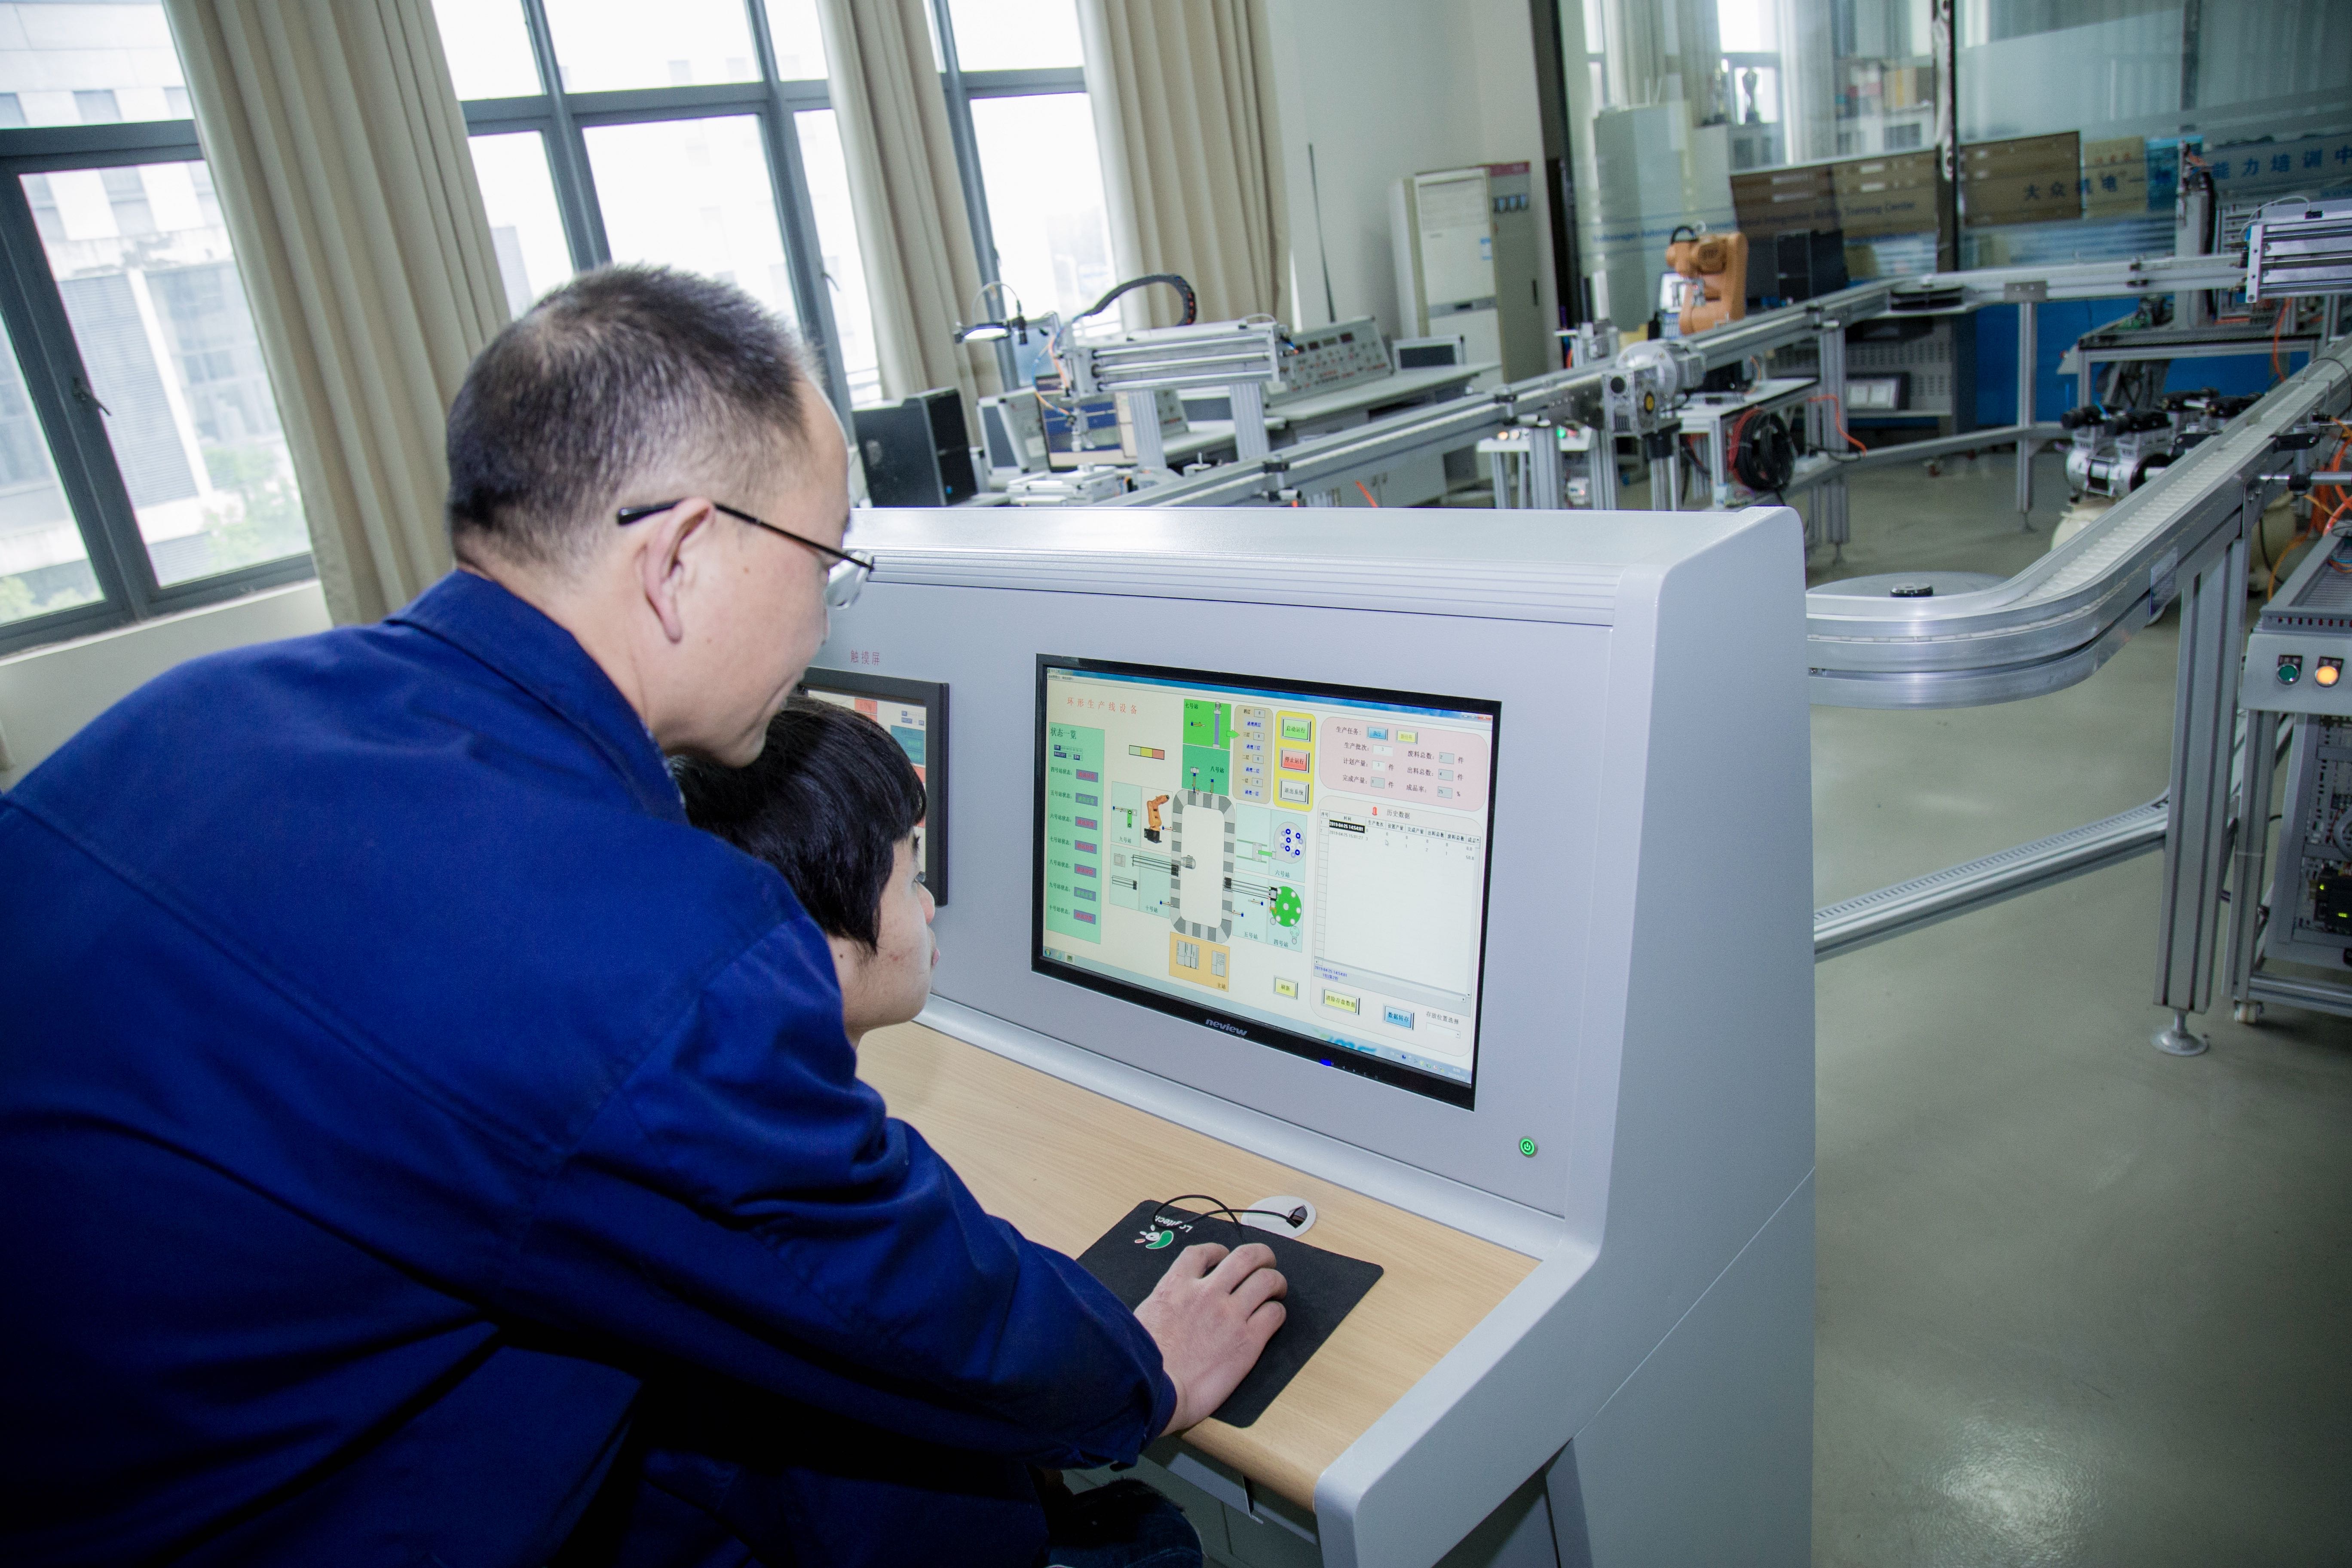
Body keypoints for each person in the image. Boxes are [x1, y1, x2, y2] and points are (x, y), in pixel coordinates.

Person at [0, 266, 1284, 1568]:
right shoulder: (650, 952)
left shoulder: (191, 713)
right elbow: (901, 1304)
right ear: (681, 558)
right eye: (827, 561)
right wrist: (1140, 1370)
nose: (823, 613)